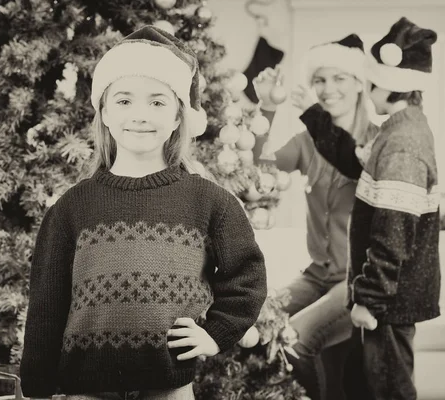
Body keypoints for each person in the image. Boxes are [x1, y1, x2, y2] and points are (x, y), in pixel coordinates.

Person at [19, 25, 268, 400]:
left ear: (177, 117)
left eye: (157, 102)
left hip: (170, 385)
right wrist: (36, 388)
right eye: (123, 101)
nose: (140, 115)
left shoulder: (210, 201)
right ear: (103, 112)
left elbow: (246, 276)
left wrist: (216, 335)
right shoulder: (72, 207)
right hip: (86, 387)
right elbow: (47, 304)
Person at [302, 17, 441, 400]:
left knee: (388, 390)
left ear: (389, 86)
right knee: (363, 386)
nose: (366, 90)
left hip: (388, 301)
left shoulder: (402, 143)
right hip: (387, 297)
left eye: (371, 82)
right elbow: (354, 163)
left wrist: (370, 299)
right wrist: (313, 115)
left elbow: (393, 231)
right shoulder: (398, 130)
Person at [249, 34, 378, 400]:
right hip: (316, 274)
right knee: (256, 319)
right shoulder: (307, 141)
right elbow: (260, 171)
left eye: (339, 78)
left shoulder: (377, 140)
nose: (327, 88)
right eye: (320, 79)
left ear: (358, 84)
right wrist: (266, 108)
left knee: (296, 338)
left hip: (356, 279)